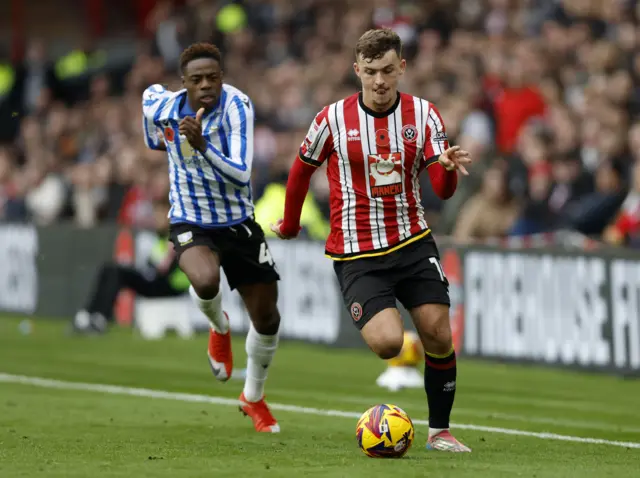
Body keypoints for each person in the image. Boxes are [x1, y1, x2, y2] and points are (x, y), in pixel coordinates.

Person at [271, 29, 473, 452]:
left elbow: (444, 187)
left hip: (412, 240)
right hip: (357, 251)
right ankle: (402, 350)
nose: (379, 81)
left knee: (438, 332)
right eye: (370, 72)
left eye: (387, 70)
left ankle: (440, 431)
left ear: (401, 68)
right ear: (356, 70)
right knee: (388, 344)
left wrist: (448, 168)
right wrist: (290, 224)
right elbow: (300, 172)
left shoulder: (424, 115)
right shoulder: (331, 119)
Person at [141, 42, 281, 433]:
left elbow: (241, 174)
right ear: (183, 83)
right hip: (191, 219)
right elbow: (149, 114)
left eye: (213, 78)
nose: (206, 86)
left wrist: (201, 145)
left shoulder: (239, 107)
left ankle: (252, 397)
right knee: (204, 279)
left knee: (267, 318)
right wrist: (160, 138)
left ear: (223, 78)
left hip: (237, 221)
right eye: (197, 79)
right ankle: (219, 328)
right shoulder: (164, 106)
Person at [72, 198, 190, 334]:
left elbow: (163, 268)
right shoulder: (161, 237)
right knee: (109, 269)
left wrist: (144, 269)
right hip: (157, 280)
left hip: (171, 285)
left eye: (160, 215)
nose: (156, 219)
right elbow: (153, 265)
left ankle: (99, 318)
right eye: (155, 214)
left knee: (118, 273)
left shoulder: (176, 237)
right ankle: (88, 315)